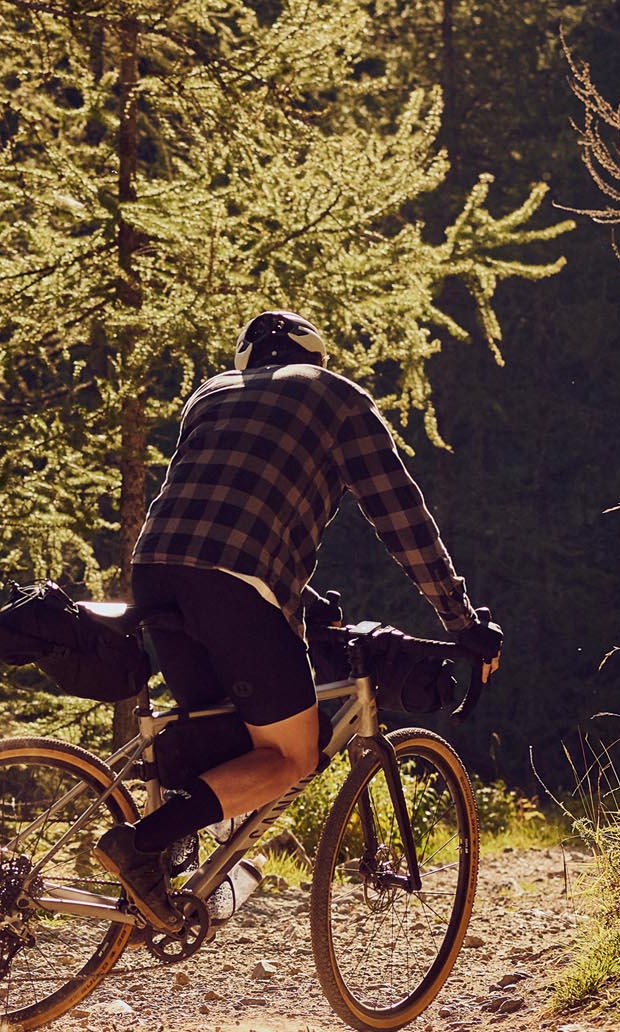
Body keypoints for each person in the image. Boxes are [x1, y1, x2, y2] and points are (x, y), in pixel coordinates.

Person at [94, 309, 501, 925]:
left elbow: (220, 498)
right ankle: (140, 845)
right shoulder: (336, 396)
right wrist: (462, 621)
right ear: (314, 357)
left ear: (246, 361)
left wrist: (299, 601)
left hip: (155, 570)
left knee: (224, 736)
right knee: (292, 757)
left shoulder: (210, 393)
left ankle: (174, 881)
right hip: (236, 582)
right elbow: (401, 518)